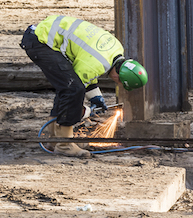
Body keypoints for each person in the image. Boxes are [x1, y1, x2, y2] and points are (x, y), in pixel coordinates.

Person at [21, 15, 149, 158]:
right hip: (40, 42)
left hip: (43, 33)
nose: (116, 83)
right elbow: (73, 87)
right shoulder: (97, 63)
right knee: (71, 90)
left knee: (69, 86)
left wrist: (96, 98)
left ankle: (55, 139)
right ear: (119, 76)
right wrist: (84, 111)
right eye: (118, 82)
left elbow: (84, 73)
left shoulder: (116, 49)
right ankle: (64, 144)